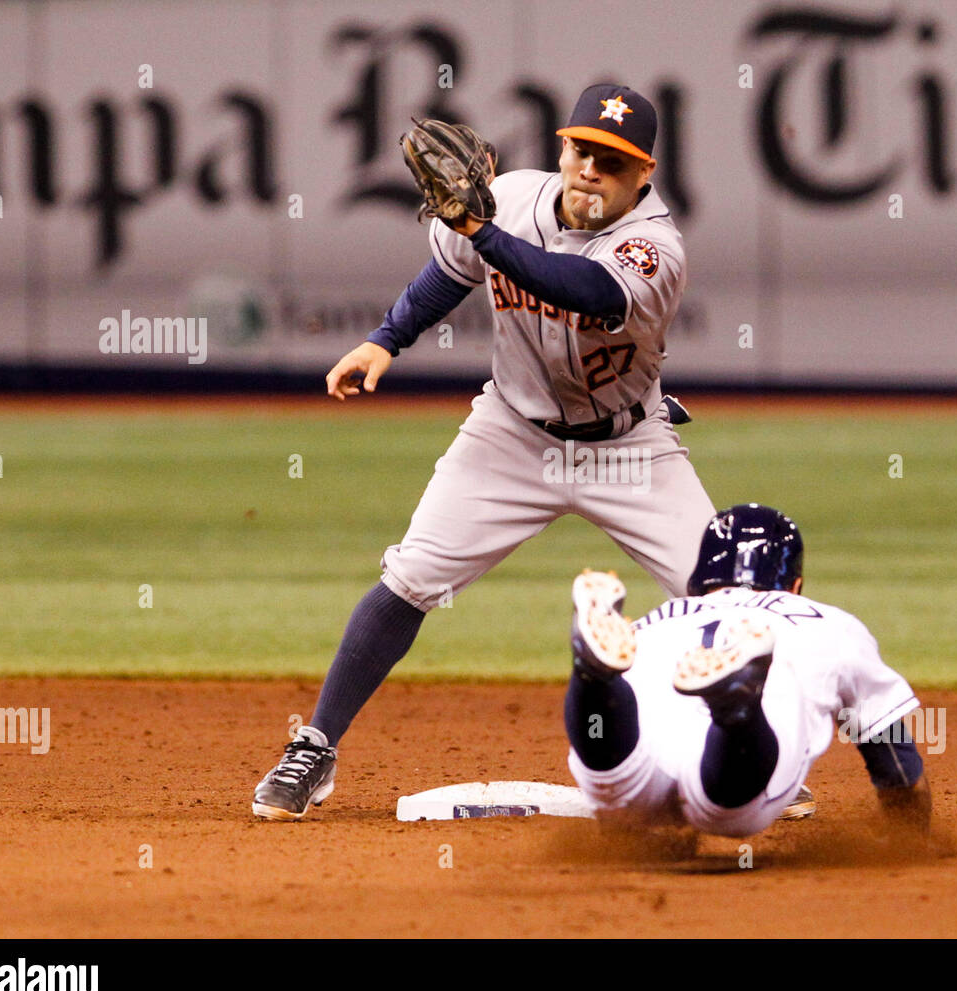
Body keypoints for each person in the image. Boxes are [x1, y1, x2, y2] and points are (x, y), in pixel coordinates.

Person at [253, 83, 715, 820]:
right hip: (512, 436)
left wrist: (482, 230)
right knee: (410, 578)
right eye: (582, 149)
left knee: (724, 596)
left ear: (644, 175)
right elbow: (451, 272)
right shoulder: (512, 201)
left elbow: (582, 290)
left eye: (614, 161)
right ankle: (314, 747)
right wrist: (386, 339)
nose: (592, 169)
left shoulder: (653, 245)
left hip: (630, 447)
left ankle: (743, 758)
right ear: (562, 149)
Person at [565, 503, 933, 838]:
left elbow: (621, 833)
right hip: (747, 762)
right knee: (726, 808)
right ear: (796, 586)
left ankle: (593, 678)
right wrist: (912, 839)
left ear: (699, 579)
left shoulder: (653, 623)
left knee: (617, 783)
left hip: (638, 733)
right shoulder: (831, 624)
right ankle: (736, 709)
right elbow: (896, 766)